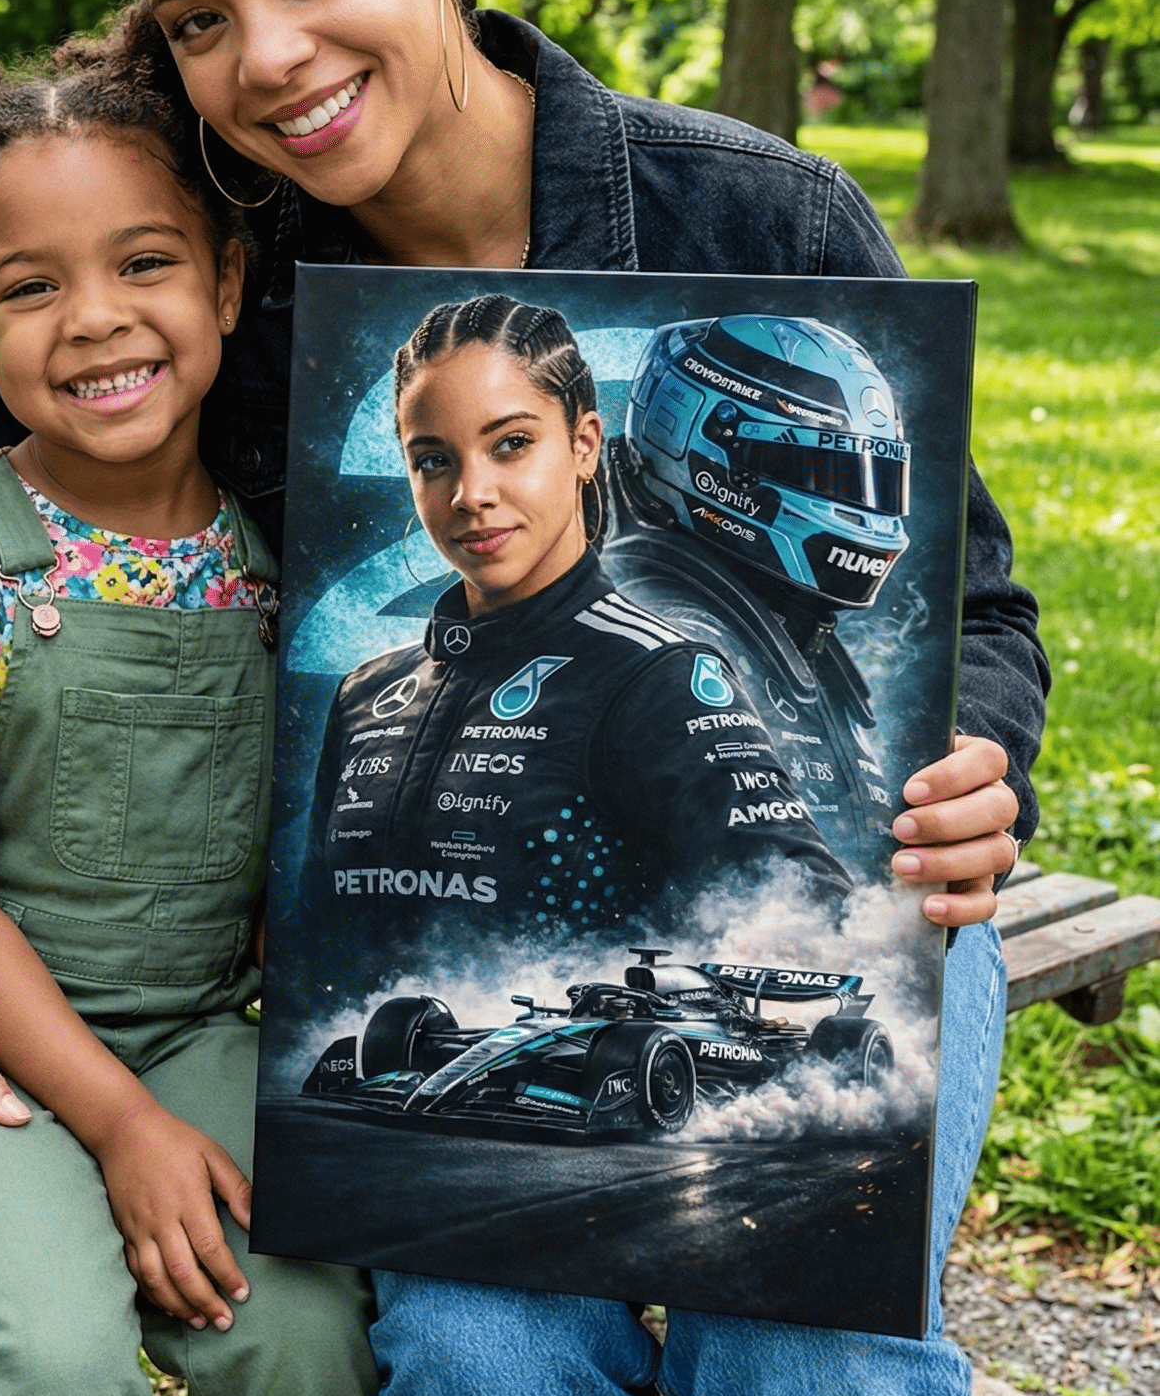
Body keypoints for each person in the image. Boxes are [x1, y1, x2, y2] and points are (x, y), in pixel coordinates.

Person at [0, 0, 1047, 1396]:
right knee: (472, 1337)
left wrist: (974, 757)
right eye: (193, 19)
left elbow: (971, 604)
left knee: (802, 1347)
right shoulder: (227, 281)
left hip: (844, 913)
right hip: (478, 933)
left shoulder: (750, 215)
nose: (265, 59)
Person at [0, 38, 380, 1396]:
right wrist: (122, 1121)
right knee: (51, 1365)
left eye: (143, 261)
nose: (95, 320)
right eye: (29, 286)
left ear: (226, 279)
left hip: (203, 1028)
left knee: (300, 1336)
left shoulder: (280, 557)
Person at [307, 292, 852, 965]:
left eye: (511, 445)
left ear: (584, 445)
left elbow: (815, 930)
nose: (470, 494)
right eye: (433, 460)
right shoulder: (365, 693)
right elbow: (312, 964)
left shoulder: (664, 676)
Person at [605, 310, 921, 881]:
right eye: (826, 474)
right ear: (714, 462)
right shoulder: (677, 642)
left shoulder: (784, 627)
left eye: (874, 478)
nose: (863, 509)